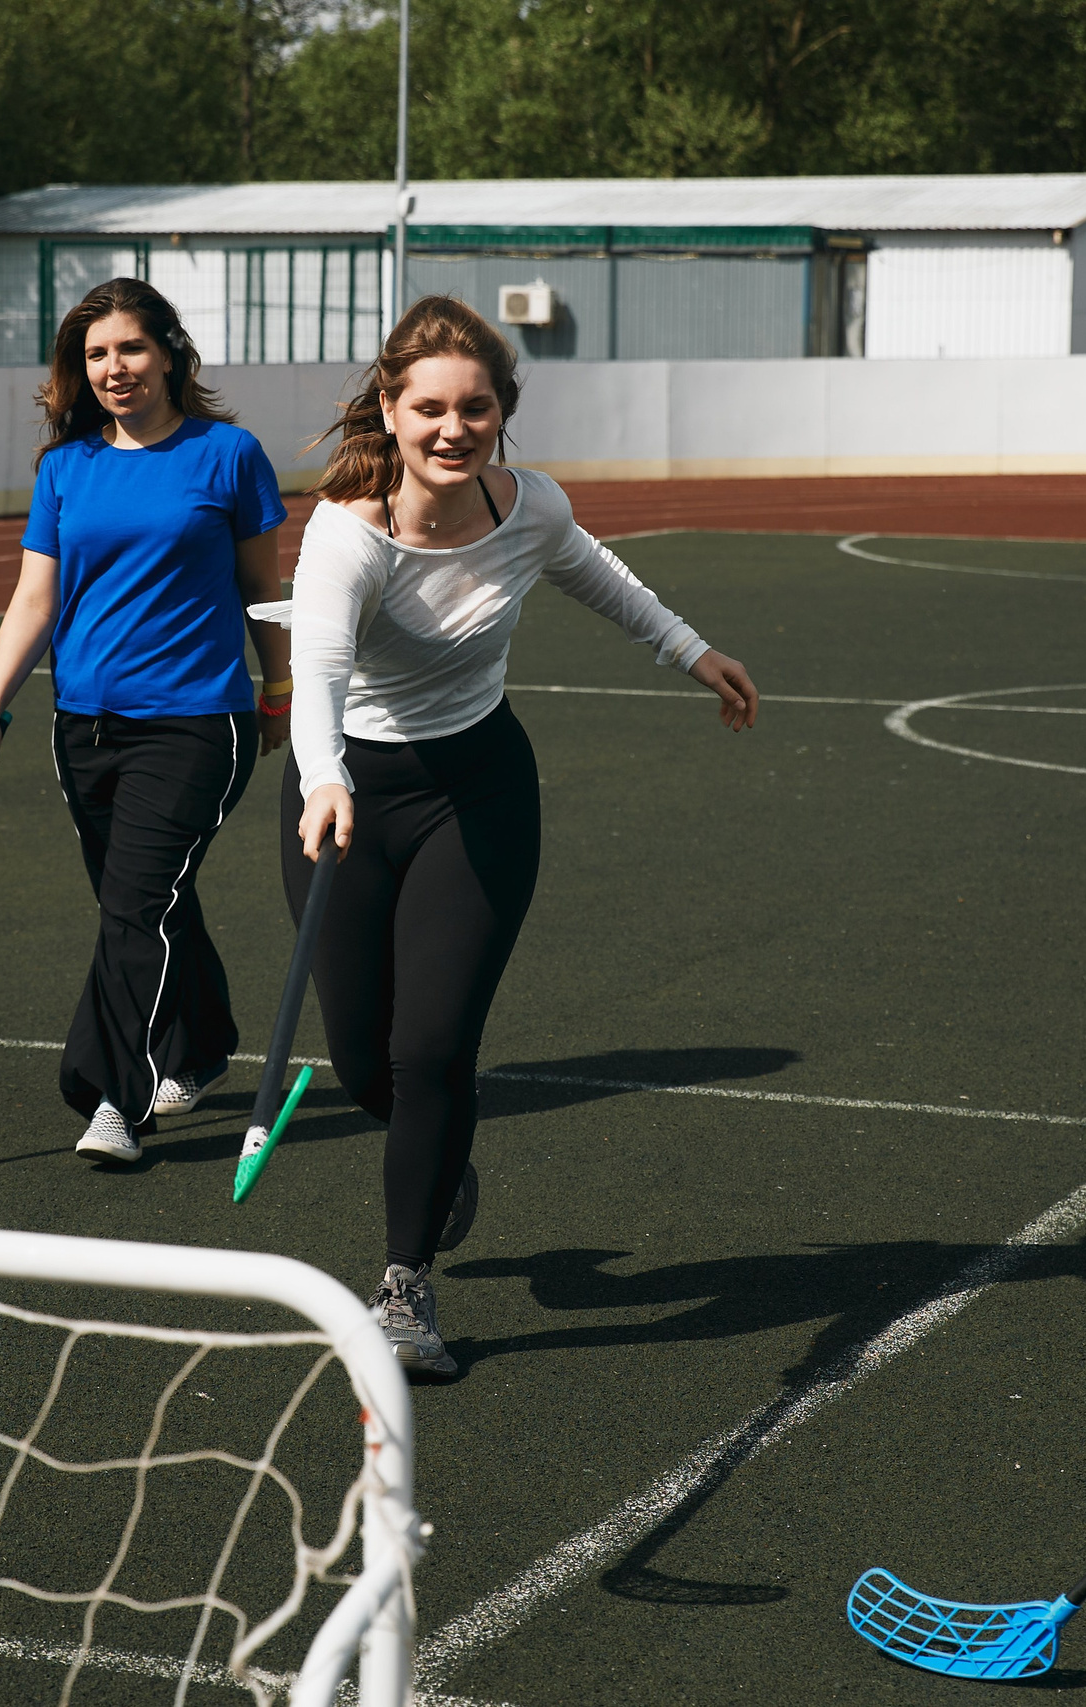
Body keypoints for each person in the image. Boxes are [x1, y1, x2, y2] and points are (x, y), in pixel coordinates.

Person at [285, 296, 760, 1378]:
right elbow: (314, 664)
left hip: (477, 789)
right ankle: (440, 1155)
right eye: (430, 410)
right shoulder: (346, 529)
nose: (454, 431)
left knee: (432, 1050)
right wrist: (321, 776)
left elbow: (597, 575)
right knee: (365, 1058)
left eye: (477, 409)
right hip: (344, 798)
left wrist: (693, 652)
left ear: (502, 413)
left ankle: (405, 1287)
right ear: (389, 410)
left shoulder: (530, 507)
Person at [0, 278, 295, 1165]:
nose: (114, 368)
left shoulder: (229, 455)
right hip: (87, 728)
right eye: (96, 354)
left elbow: (265, 590)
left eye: (130, 349)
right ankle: (205, 1040)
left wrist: (281, 693)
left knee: (132, 905)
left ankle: (115, 1094)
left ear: (170, 354)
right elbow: (35, 597)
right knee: (146, 902)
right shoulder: (66, 468)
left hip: (197, 723)